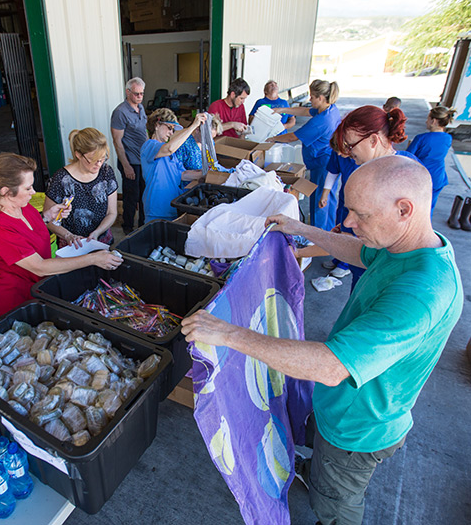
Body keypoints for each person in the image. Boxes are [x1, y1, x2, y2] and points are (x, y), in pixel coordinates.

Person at [182, 155, 463, 525]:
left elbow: (331, 367)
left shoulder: (422, 292)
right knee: (322, 463)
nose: (349, 222)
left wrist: (228, 332)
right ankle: (316, 469)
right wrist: (303, 229)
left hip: (356, 430)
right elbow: (358, 252)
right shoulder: (405, 244)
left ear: (404, 209)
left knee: (335, 504)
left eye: (360, 214)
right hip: (343, 408)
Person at [0, 154, 123, 317]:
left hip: (40, 287)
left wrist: (47, 216)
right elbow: (40, 267)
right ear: (6, 191)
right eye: (28, 188)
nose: (33, 192)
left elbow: (26, 231)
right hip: (19, 300)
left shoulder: (20, 204)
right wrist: (93, 259)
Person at [320, 105, 415, 286]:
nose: (348, 152)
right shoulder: (373, 169)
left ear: (373, 140)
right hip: (366, 268)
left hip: (380, 275)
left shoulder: (400, 174)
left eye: (350, 145)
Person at [268, 79, 341, 231]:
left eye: (312, 97)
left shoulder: (322, 121)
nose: (310, 99)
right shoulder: (329, 109)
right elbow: (305, 111)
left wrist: (273, 138)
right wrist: (283, 110)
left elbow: (292, 137)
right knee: (329, 199)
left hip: (322, 164)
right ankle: (330, 230)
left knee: (320, 202)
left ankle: (319, 236)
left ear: (321, 98)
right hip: (329, 160)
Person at [44, 128, 118, 247]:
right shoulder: (61, 179)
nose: (99, 164)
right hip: (73, 245)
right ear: (78, 155)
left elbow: (112, 212)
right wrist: (69, 236)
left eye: (103, 158)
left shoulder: (106, 172)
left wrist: (97, 232)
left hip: (101, 239)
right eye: (93, 160)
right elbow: (49, 220)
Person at [140, 109, 206, 223]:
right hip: (156, 210)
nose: (171, 133)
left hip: (172, 208)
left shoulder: (172, 156)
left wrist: (206, 174)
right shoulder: (149, 146)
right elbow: (169, 149)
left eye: (173, 130)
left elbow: (183, 175)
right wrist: (193, 127)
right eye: (169, 128)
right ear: (157, 125)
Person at [111, 77, 148, 234]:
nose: (139, 96)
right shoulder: (120, 112)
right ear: (128, 92)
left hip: (143, 161)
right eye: (136, 93)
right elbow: (117, 142)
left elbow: (144, 132)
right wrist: (126, 166)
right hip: (130, 162)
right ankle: (128, 229)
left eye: (142, 93)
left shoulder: (141, 108)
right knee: (131, 198)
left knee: (144, 196)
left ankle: (143, 226)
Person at [407, 105, 455, 213]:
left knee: (415, 208)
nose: (426, 122)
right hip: (438, 177)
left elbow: (408, 157)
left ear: (434, 121)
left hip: (421, 177)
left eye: (428, 119)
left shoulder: (421, 138)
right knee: (429, 208)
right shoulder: (448, 138)